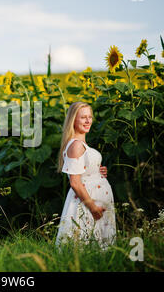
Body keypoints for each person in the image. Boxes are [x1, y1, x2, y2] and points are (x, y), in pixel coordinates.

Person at [55, 101, 116, 250]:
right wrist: (92, 207)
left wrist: (97, 171)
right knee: (85, 244)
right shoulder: (75, 145)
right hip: (88, 202)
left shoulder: (81, 144)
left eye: (90, 117)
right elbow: (75, 183)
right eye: (83, 117)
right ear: (73, 120)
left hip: (95, 198)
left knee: (96, 245)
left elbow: (84, 171)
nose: (88, 121)